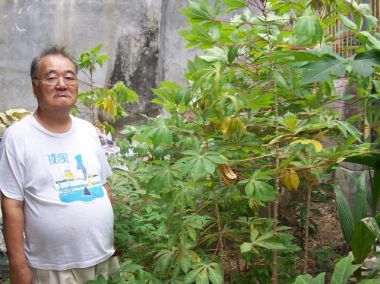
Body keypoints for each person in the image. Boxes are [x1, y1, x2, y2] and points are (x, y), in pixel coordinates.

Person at [0, 46, 119, 284]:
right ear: (35, 86)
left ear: (76, 85)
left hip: (101, 260)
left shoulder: (87, 130)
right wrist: (18, 266)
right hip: (52, 268)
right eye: (51, 77)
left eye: (69, 77)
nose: (62, 84)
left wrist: (111, 244)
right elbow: (12, 204)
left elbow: (103, 187)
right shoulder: (18, 136)